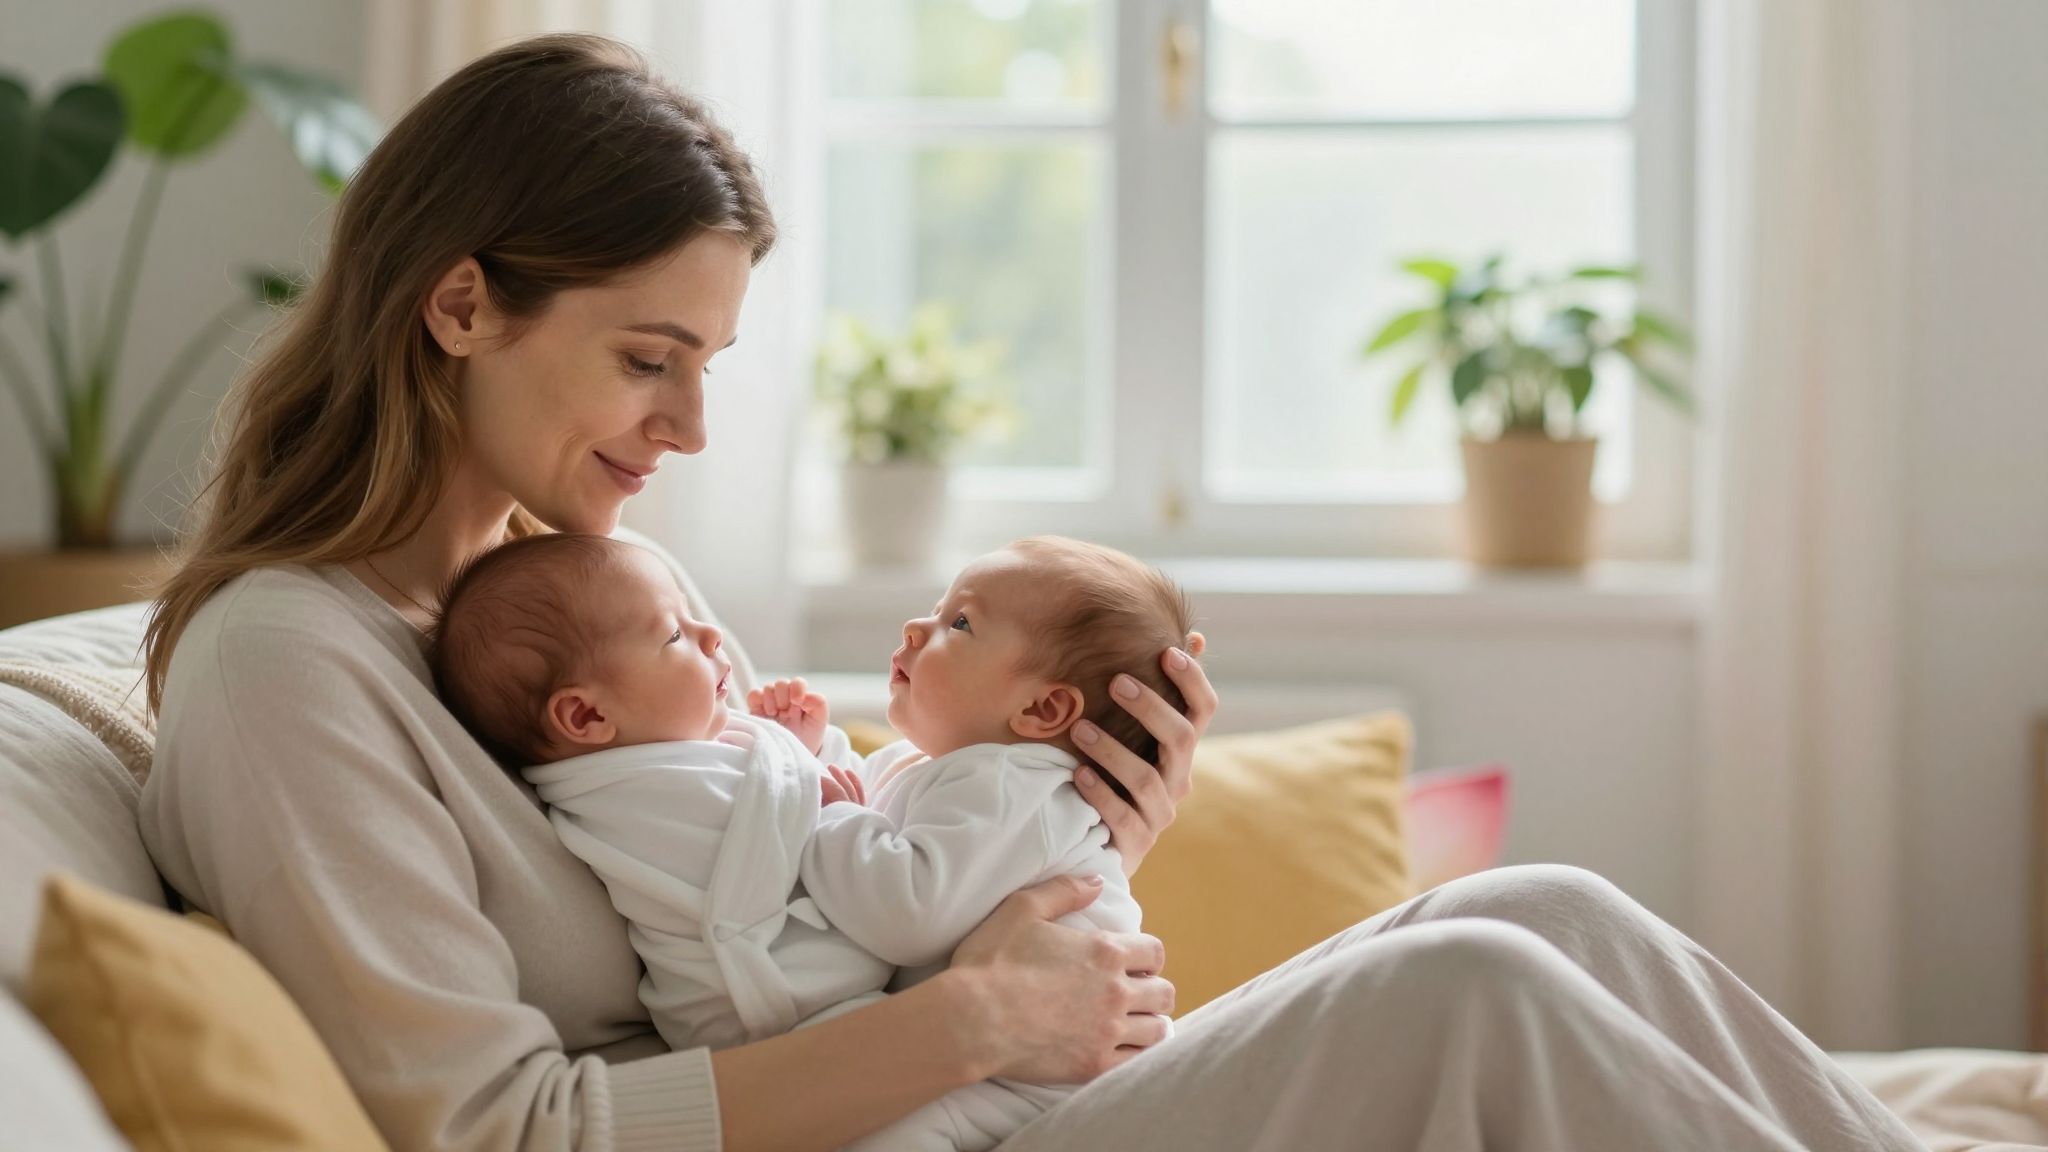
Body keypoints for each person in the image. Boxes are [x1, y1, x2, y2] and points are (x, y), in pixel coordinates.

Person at [137, 32, 1926, 1152]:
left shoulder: (601, 580)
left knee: (1553, 911)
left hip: (955, 1081)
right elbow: (494, 1130)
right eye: (647, 359)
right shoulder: (287, 667)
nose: (688, 423)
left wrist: (1076, 845)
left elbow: (857, 853)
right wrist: (980, 1018)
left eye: (710, 363)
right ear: (459, 306)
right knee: (1476, 991)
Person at [425, 532, 1192, 1151]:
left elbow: (902, 901)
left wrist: (826, 803)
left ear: (1045, 707)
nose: (918, 627)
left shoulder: (1004, 781)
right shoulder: (942, 768)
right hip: (984, 1060)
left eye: (961, 624)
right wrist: (819, 772)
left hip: (1040, 1078)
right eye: (646, 358)